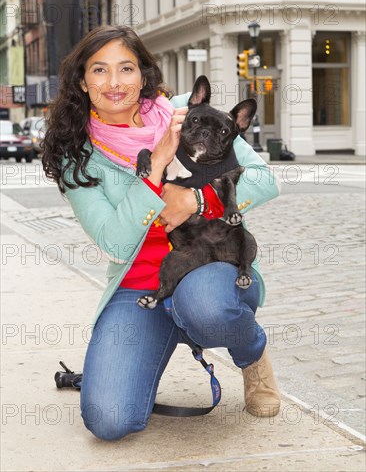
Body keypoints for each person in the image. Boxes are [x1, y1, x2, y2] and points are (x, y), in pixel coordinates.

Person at [42, 25, 281, 442]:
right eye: (99, 70)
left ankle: (252, 354)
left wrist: (196, 201)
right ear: (83, 80)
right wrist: (155, 168)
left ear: (144, 74)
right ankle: (166, 328)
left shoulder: (188, 111)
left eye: (126, 68)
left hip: (211, 266)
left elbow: (263, 179)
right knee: (110, 419)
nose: (114, 83)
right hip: (140, 288)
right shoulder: (77, 157)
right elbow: (115, 242)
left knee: (207, 306)